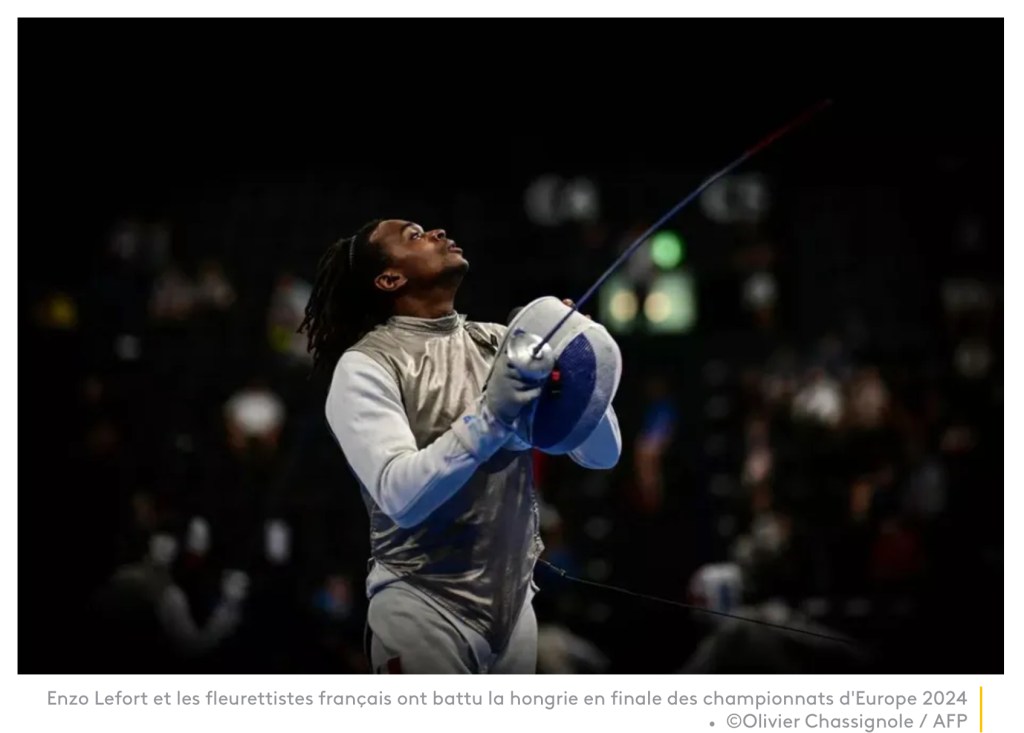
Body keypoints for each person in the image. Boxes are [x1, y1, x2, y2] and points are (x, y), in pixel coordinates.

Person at [299, 219, 621, 673]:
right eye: (414, 236)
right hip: (423, 608)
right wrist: (491, 416)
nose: (436, 233)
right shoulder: (366, 366)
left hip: (515, 615)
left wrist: (577, 368)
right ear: (390, 278)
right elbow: (398, 494)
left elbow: (600, 454)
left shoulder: (497, 342)